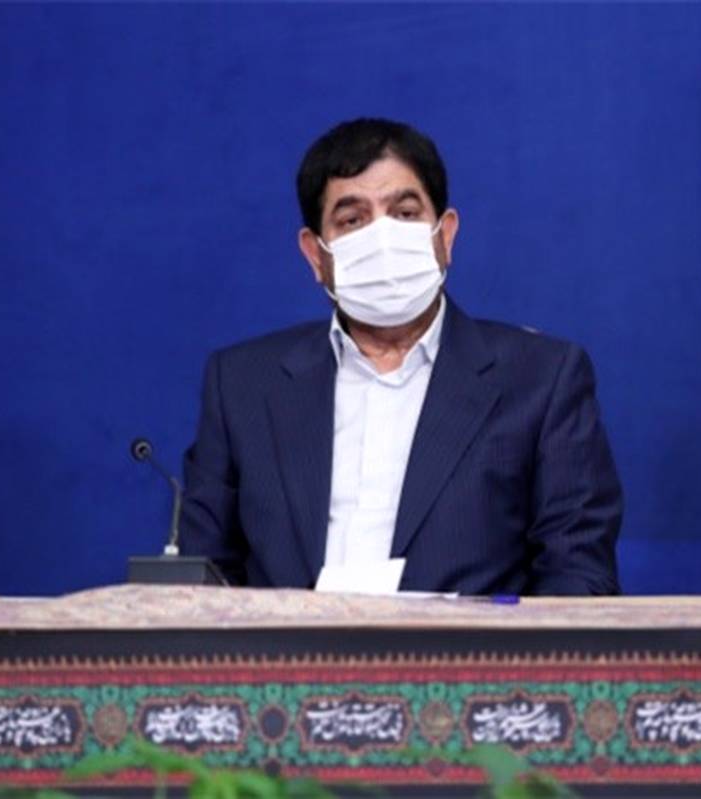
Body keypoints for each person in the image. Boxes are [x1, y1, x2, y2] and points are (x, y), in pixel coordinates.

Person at [180, 118, 622, 595]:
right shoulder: (243, 385)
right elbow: (199, 581)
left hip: (464, 644)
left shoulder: (540, 379)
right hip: (289, 643)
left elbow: (578, 578)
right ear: (316, 255)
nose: (382, 239)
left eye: (405, 213)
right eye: (353, 220)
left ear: (444, 236)